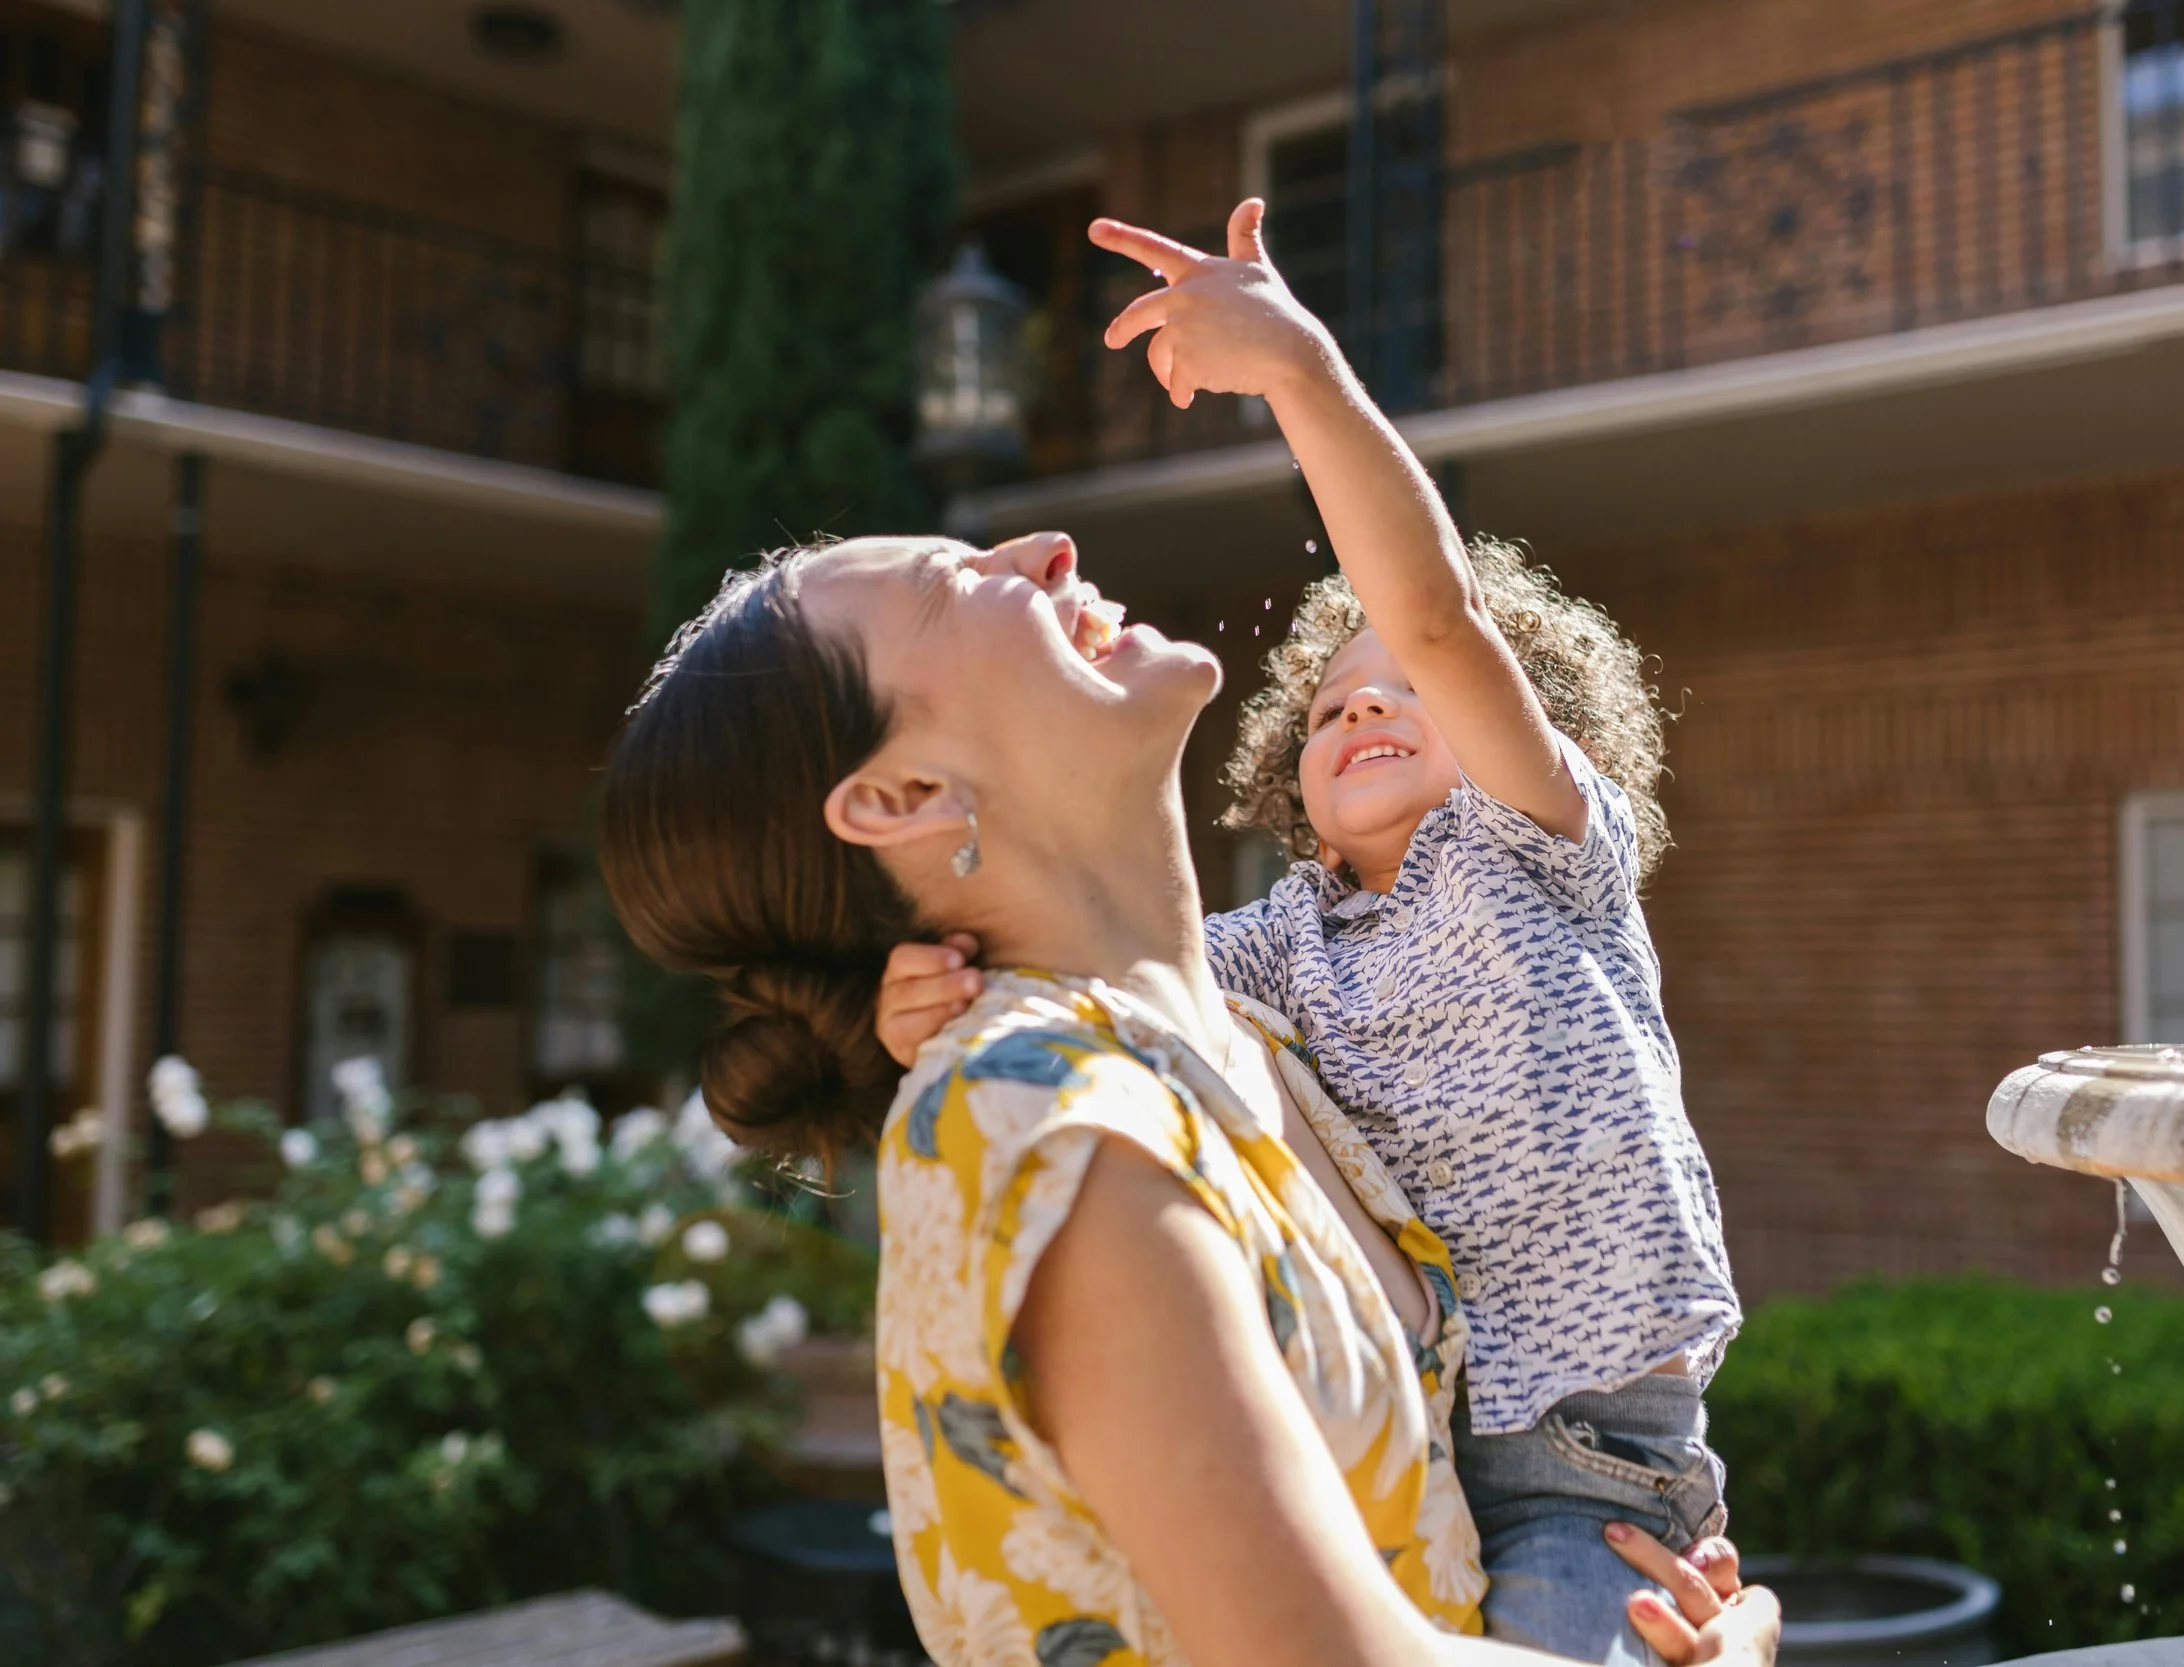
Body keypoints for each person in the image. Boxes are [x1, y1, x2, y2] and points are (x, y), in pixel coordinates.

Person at [596, 524, 1780, 1667]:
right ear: (905, 793)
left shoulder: (1259, 1044)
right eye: (951, 587)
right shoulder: (1039, 1109)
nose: (1045, 546)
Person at [872, 202, 1740, 1665]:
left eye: (1408, 690)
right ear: (1296, 779)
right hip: (1415, 1451)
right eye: (1335, 703)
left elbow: (1442, 614)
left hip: (1593, 1465)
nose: (1373, 704)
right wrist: (933, 997)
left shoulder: (1540, 853)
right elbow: (1104, 970)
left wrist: (1303, 375)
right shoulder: (1281, 940)